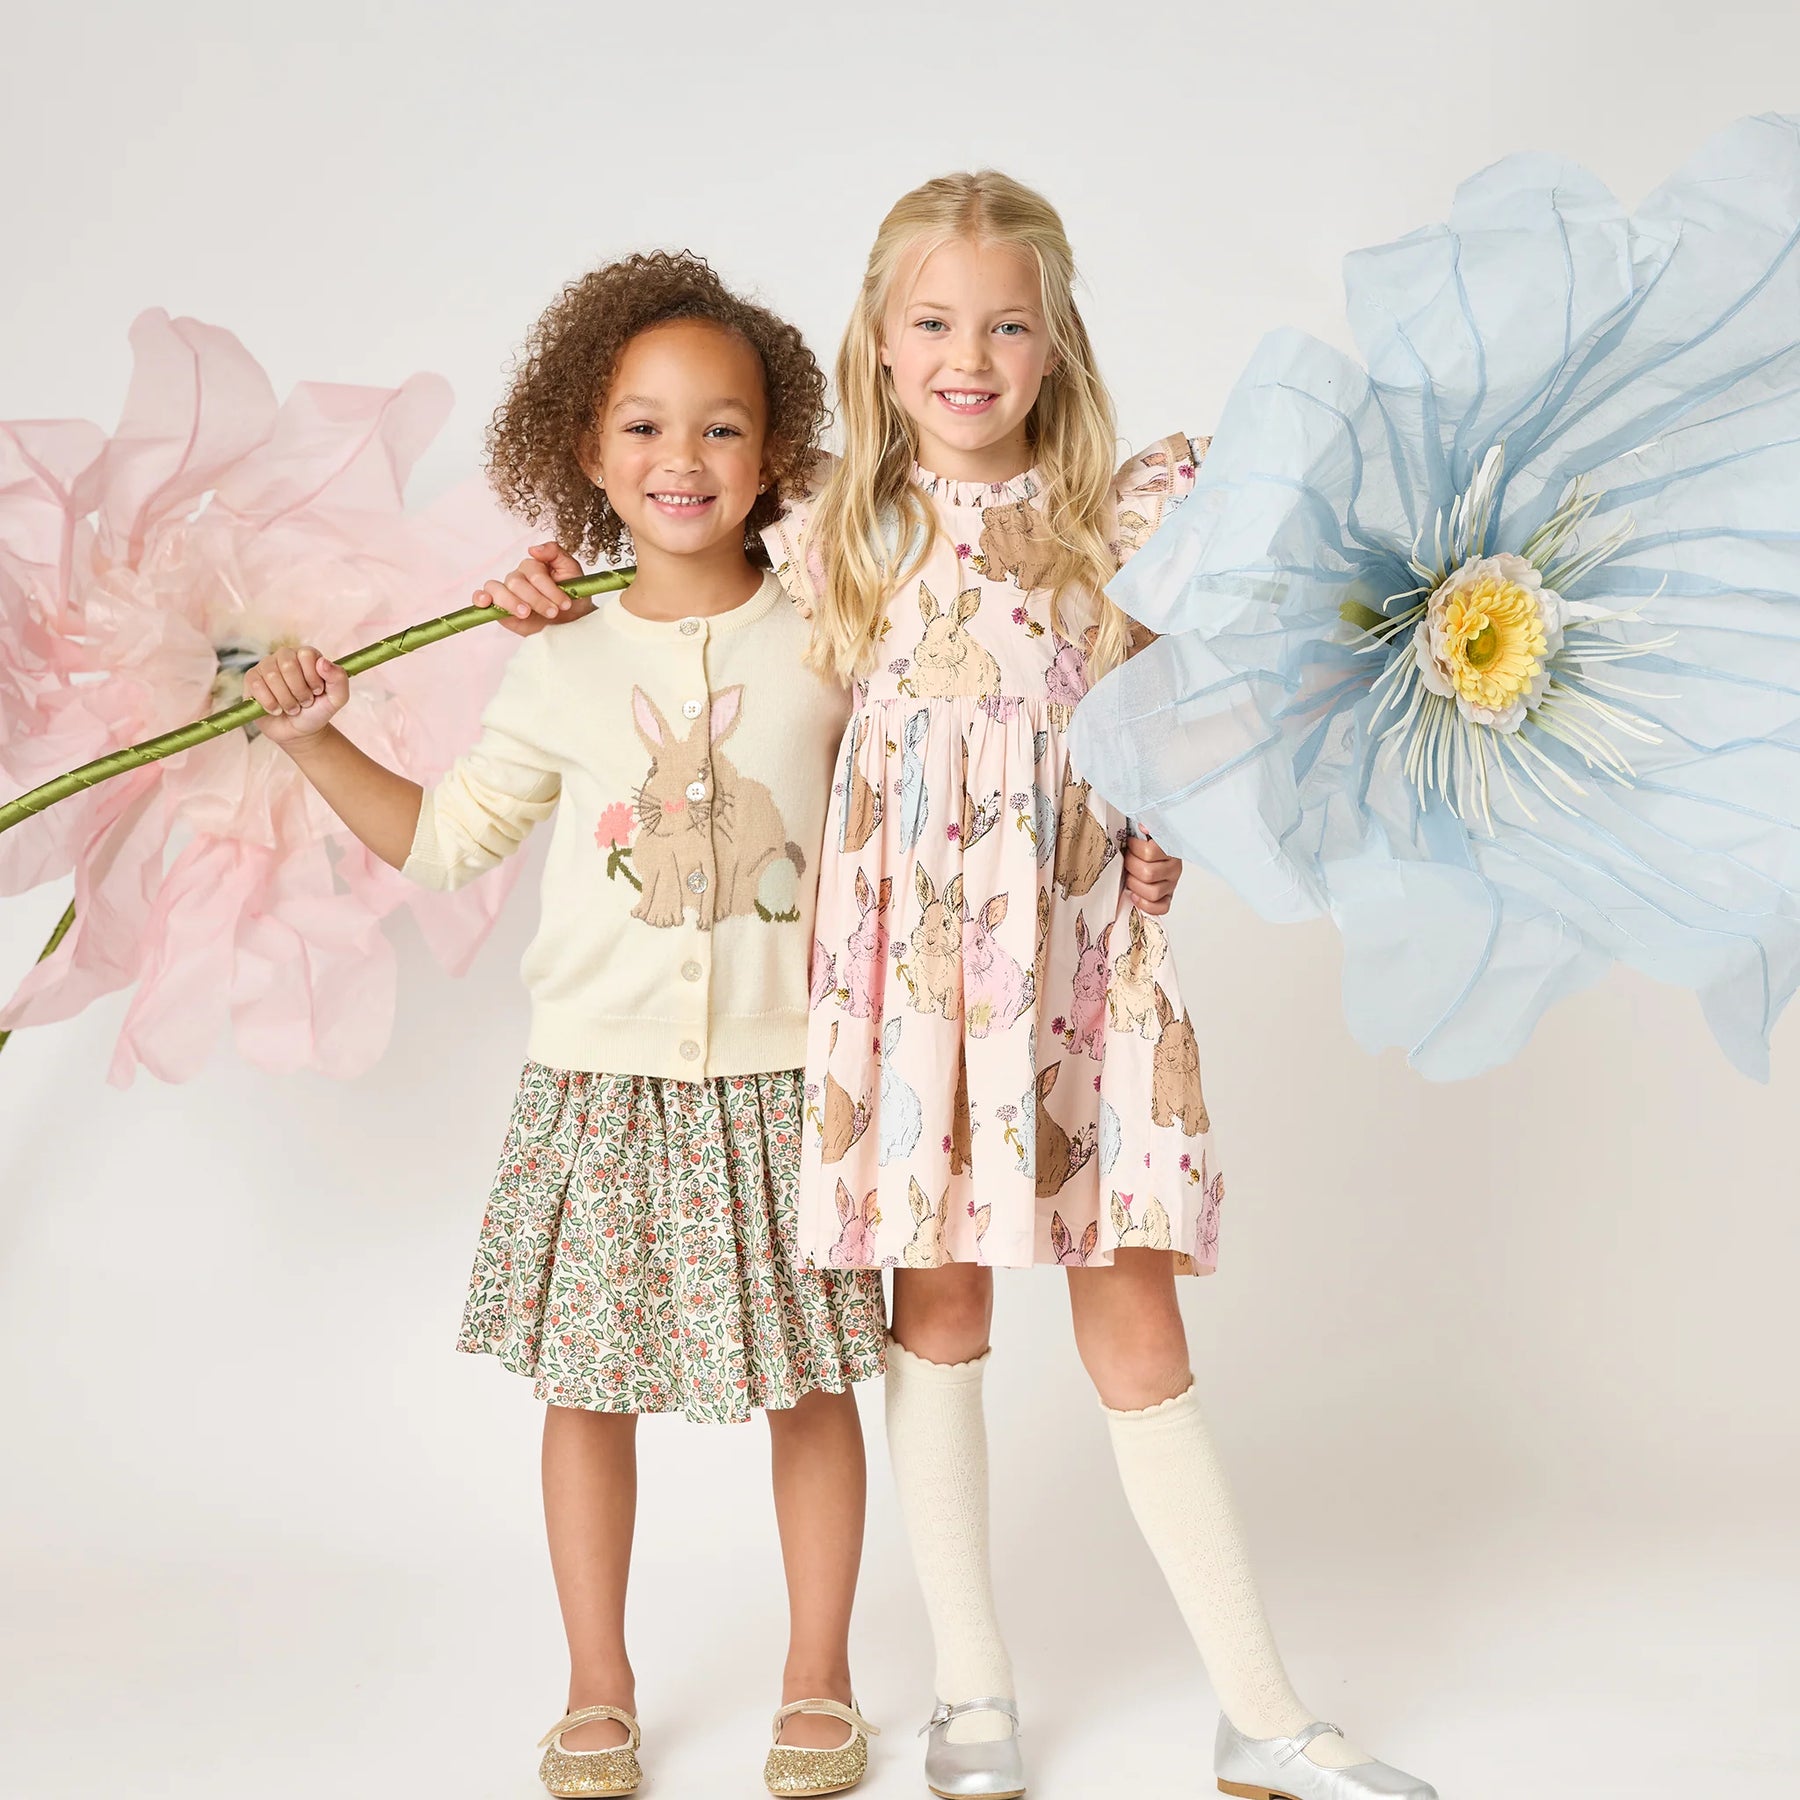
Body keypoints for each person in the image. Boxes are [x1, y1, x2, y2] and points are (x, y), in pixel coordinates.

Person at [771, 170, 1437, 1800]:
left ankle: (1259, 1711)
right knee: (940, 1307)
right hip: (914, 988)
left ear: (1057, 341)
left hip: (1080, 977)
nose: (970, 357)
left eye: (1007, 325)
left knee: (1135, 1314)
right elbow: (701, 645)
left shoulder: (1121, 525)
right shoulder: (829, 530)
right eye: (935, 323)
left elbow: (1197, 715)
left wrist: (1166, 830)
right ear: (878, 339)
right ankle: (972, 1689)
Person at [246, 251, 888, 1800]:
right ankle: (598, 1685)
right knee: (587, 1391)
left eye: (724, 427)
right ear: (588, 456)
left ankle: (819, 1678)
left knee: (815, 1387)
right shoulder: (557, 662)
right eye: (644, 428)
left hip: (786, 1086)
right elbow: (443, 839)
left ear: (777, 458)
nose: (684, 458)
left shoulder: (832, 639)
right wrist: (314, 739)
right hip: (603, 1094)